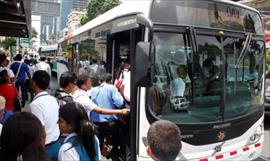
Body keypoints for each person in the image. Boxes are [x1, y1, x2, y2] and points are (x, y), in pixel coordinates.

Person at [91, 73, 125, 160]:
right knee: (115, 143)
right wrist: (121, 93)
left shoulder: (93, 89)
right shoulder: (112, 88)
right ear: (110, 81)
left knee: (97, 145)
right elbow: (120, 103)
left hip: (95, 123)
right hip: (110, 123)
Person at [29, 70, 60, 161]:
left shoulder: (35, 104)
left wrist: (40, 154)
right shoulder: (53, 99)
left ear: (33, 83)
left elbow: (41, 131)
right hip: (57, 144)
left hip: (45, 148)